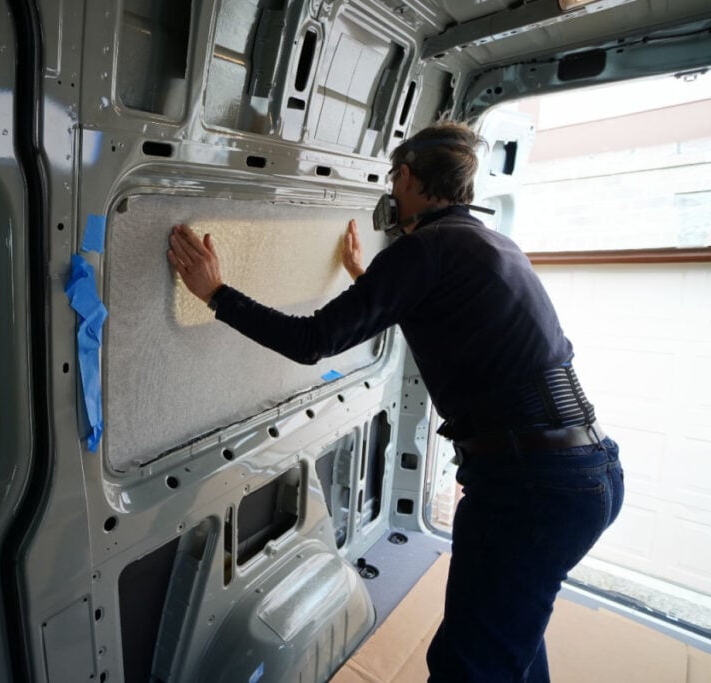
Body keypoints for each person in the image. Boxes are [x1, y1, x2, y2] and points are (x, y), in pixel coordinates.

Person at [166, 120, 624, 682]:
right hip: (587, 473)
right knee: (511, 643)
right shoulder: (488, 243)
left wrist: (216, 293)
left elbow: (313, 341)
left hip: (530, 487)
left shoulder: (425, 250)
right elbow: (458, 320)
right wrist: (372, 284)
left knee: (468, 666)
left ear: (405, 176)